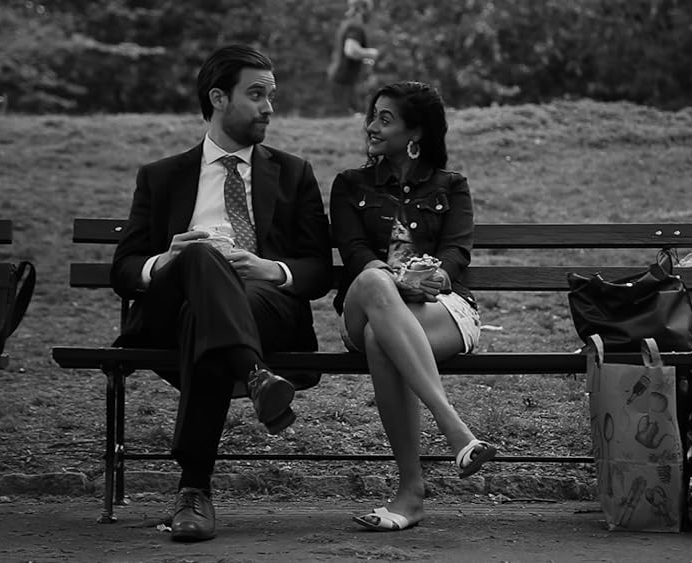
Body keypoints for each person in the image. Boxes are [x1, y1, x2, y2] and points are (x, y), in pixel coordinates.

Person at [110, 44, 333, 542]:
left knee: (204, 319)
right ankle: (254, 373)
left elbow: (319, 269)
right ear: (217, 97)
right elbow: (123, 269)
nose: (269, 108)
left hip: (262, 304)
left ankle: (194, 489)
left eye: (271, 96)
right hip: (172, 303)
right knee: (199, 254)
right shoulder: (162, 176)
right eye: (256, 95)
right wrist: (167, 261)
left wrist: (268, 267)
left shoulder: (294, 173)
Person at [329, 81, 496, 532]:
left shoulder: (451, 186)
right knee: (373, 279)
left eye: (386, 119)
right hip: (367, 300)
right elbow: (354, 252)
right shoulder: (350, 185)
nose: (371, 126)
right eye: (373, 115)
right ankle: (454, 429)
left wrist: (439, 275)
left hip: (439, 309)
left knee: (380, 340)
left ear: (416, 132)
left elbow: (457, 252)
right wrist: (396, 279)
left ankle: (411, 493)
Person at [327, 0, 380, 115]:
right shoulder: (356, 26)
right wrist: (370, 53)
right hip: (345, 81)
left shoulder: (347, 23)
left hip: (339, 79)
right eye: (369, 9)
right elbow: (351, 50)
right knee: (349, 118)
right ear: (362, 8)